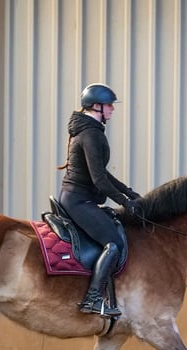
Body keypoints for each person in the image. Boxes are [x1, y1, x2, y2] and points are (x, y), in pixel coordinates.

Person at [56, 83, 141, 317]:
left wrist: (129, 191)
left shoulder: (89, 130)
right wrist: (125, 203)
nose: (112, 110)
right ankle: (92, 299)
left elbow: (102, 172)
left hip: (79, 198)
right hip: (78, 201)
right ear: (96, 106)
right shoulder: (91, 134)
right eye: (109, 105)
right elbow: (99, 181)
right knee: (113, 244)